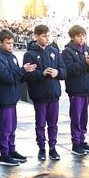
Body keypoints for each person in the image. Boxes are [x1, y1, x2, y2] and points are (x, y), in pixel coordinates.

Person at [23, 24, 66, 161]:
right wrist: (41, 73)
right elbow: (27, 75)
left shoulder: (54, 51)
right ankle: (41, 148)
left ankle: (53, 148)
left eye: (48, 35)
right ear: (36, 37)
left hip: (54, 94)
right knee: (40, 123)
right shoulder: (29, 54)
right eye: (44, 36)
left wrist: (57, 72)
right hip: (39, 94)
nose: (47, 38)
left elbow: (64, 70)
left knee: (53, 123)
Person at [62, 24, 89, 156]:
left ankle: (82, 139)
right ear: (73, 37)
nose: (82, 38)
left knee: (84, 117)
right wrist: (84, 63)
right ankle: (76, 143)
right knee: (76, 117)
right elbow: (69, 70)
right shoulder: (67, 52)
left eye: (84, 36)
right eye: (79, 36)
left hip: (86, 89)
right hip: (76, 89)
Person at [0, 29, 29, 167]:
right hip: (4, 97)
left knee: (12, 126)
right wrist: (22, 70)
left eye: (12, 43)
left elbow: (16, 75)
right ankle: (4, 154)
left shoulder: (11, 56)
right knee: (6, 127)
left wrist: (24, 72)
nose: (11, 46)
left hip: (12, 97)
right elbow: (6, 77)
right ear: (0, 43)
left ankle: (11, 150)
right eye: (8, 43)